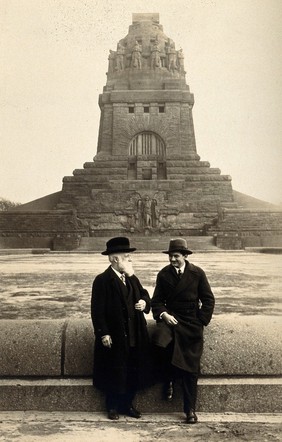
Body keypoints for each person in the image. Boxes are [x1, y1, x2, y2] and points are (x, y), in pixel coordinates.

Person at [151, 238, 215, 424]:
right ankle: (168, 379)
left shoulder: (197, 273)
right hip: (171, 320)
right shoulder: (163, 275)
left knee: (191, 368)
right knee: (159, 342)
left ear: (185, 256)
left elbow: (208, 299)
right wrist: (164, 315)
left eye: (176, 256)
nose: (172, 260)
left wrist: (200, 320)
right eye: (170, 256)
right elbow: (156, 301)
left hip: (191, 324)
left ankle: (190, 410)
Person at [91, 237, 151, 420]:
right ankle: (112, 406)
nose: (130, 260)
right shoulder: (102, 280)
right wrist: (104, 333)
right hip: (115, 335)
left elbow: (145, 295)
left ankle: (128, 405)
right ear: (115, 259)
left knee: (133, 369)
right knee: (114, 369)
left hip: (135, 333)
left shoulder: (132, 277)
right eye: (127, 257)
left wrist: (143, 302)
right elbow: (97, 310)